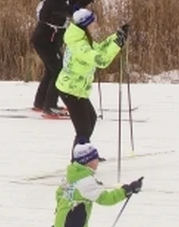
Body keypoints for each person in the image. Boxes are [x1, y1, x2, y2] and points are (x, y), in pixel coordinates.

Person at [30, 0, 104, 115]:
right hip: (45, 41)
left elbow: (75, 4)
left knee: (52, 70)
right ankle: (50, 107)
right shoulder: (53, 1)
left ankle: (40, 103)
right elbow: (72, 11)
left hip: (47, 40)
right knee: (59, 71)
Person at [55, 9, 128, 150]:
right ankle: (79, 161)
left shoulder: (82, 38)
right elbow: (100, 60)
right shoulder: (80, 45)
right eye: (93, 21)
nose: (95, 24)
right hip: (71, 90)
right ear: (85, 24)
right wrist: (117, 45)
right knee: (82, 129)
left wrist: (116, 37)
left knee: (91, 119)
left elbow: (99, 49)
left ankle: (85, 154)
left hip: (77, 88)